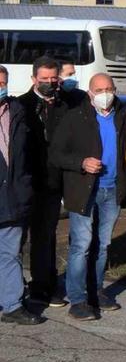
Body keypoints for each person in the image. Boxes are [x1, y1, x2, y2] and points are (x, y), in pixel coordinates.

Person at [49, 74, 126, 320]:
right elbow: (55, 154)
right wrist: (81, 162)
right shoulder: (76, 117)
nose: (104, 94)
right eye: (99, 89)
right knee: (81, 246)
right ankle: (78, 299)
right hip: (83, 190)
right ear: (90, 93)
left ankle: (95, 292)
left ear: (115, 90)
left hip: (111, 190)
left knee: (102, 246)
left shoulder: (123, 116)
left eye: (108, 89)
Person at [18, 56, 70, 308]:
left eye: (53, 79)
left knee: (45, 236)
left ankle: (44, 285)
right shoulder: (20, 105)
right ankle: (13, 286)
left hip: (50, 183)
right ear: (33, 80)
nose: (49, 83)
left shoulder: (64, 105)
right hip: (21, 182)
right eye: (44, 80)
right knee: (14, 238)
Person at [0, 65, 45, 325]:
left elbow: (30, 155)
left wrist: (26, 186)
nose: (1, 86)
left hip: (14, 195)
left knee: (10, 252)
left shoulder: (18, 112)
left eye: (3, 82)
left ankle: (13, 305)